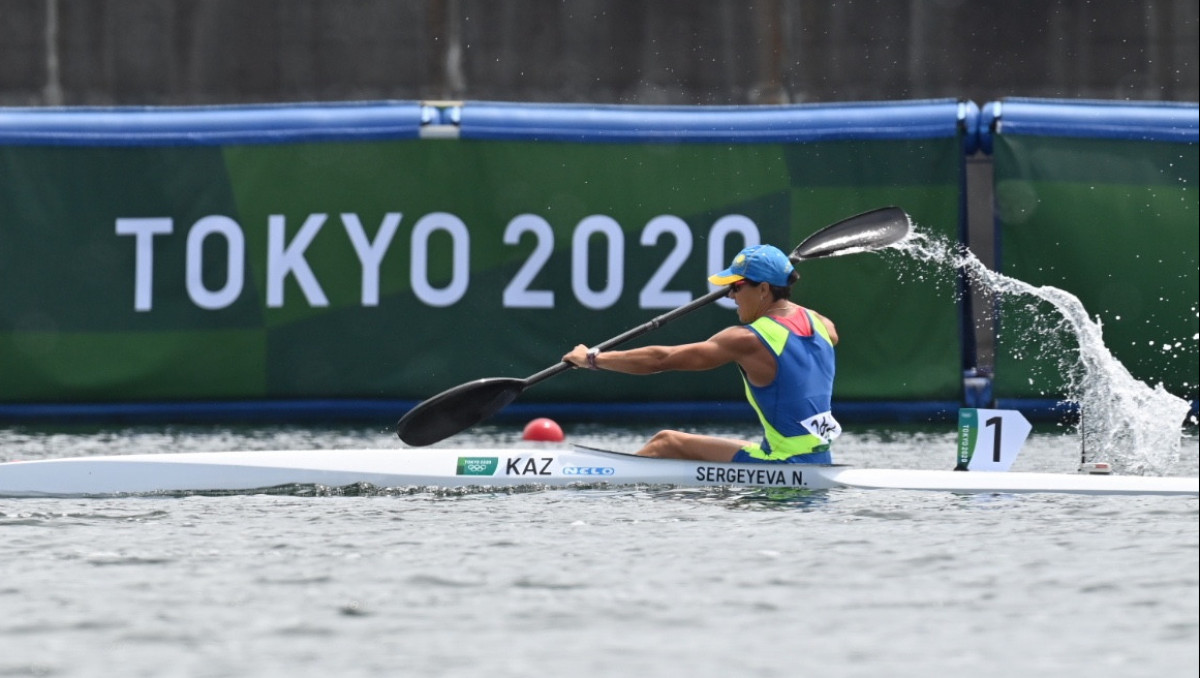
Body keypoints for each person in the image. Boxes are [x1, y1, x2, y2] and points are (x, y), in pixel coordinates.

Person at [563, 244, 841, 463]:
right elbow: (809, 329)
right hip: (819, 460)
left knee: (666, 442)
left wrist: (592, 359)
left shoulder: (747, 340)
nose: (731, 295)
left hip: (784, 465)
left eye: (737, 286)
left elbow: (662, 359)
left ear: (764, 289)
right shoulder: (822, 324)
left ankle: (605, 488)